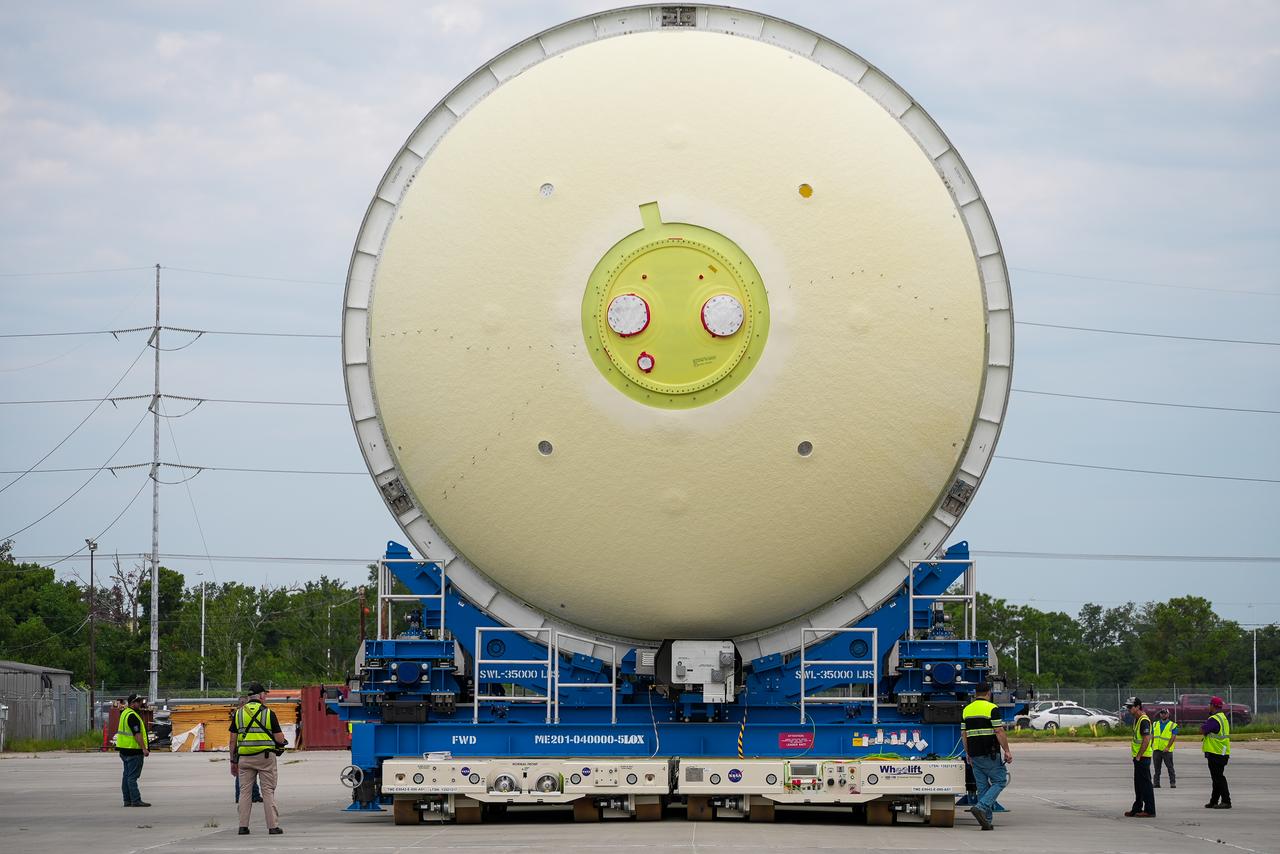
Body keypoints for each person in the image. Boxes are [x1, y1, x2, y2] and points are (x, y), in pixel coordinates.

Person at [229, 682, 287, 835]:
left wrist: (233, 761)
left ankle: (243, 826)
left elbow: (232, 740)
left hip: (244, 758)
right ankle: (272, 827)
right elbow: (279, 738)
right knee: (267, 791)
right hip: (265, 758)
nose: (266, 697)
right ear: (261, 696)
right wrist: (282, 742)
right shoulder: (268, 713)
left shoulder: (239, 713)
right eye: (265, 695)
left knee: (245, 792)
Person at [961, 683, 1013, 830]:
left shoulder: (966, 710)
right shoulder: (991, 708)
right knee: (1000, 781)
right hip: (989, 754)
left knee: (982, 788)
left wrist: (968, 753)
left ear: (975, 693)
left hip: (974, 754)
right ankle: (981, 806)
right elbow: (998, 731)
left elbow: (963, 734)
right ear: (988, 693)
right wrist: (1007, 751)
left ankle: (986, 821)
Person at [114, 693, 151, 807]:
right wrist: (144, 749)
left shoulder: (124, 713)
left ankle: (127, 800)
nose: (140, 704)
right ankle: (136, 800)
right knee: (132, 777)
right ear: (132, 703)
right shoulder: (132, 716)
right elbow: (137, 734)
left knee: (127, 776)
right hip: (133, 751)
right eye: (138, 701)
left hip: (124, 750)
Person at [1124, 697, 1156, 817]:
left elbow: (1147, 739)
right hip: (1138, 757)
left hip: (1143, 757)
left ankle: (1150, 810)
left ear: (1138, 707)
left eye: (1130, 707)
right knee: (1138, 784)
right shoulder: (1136, 719)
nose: (1128, 709)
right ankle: (1137, 807)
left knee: (1146, 784)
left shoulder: (1143, 720)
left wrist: (1139, 756)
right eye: (1127, 707)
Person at [230, 696, 263, 806]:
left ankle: (252, 795)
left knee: (246, 774)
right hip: (248, 749)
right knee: (243, 775)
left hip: (242, 749)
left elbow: (232, 739)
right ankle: (247, 796)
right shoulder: (242, 715)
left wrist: (232, 757)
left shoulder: (238, 715)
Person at [1201, 696, 1232, 809]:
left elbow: (1203, 730)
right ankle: (1214, 801)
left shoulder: (1214, 719)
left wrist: (1204, 727)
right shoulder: (1223, 717)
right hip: (1222, 752)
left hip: (1216, 752)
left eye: (1209, 704)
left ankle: (1226, 801)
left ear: (1213, 706)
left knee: (1218, 778)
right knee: (1216, 778)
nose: (1208, 706)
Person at [1152, 707, 1178, 788]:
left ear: (1168, 714)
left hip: (1167, 750)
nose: (1163, 715)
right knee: (1157, 768)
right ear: (1160, 714)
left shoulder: (1172, 725)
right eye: (1162, 713)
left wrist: (1168, 747)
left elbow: (1173, 737)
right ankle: (1156, 783)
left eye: (1165, 713)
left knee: (1170, 767)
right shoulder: (1155, 724)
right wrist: (1150, 745)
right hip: (1156, 749)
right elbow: (1152, 735)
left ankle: (1172, 783)